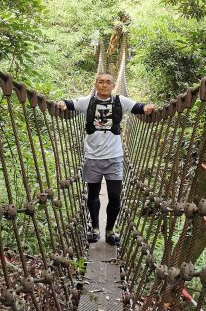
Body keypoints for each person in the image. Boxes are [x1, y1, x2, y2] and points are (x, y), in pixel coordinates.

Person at [57, 73, 155, 245]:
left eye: (108, 82)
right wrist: (62, 103)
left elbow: (138, 107)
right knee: (93, 194)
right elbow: (69, 103)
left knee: (115, 196)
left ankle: (110, 230)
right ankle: (95, 228)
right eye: (100, 82)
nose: (104, 85)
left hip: (114, 157)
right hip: (92, 157)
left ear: (113, 85)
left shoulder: (120, 101)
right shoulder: (87, 101)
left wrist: (147, 107)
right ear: (95, 84)